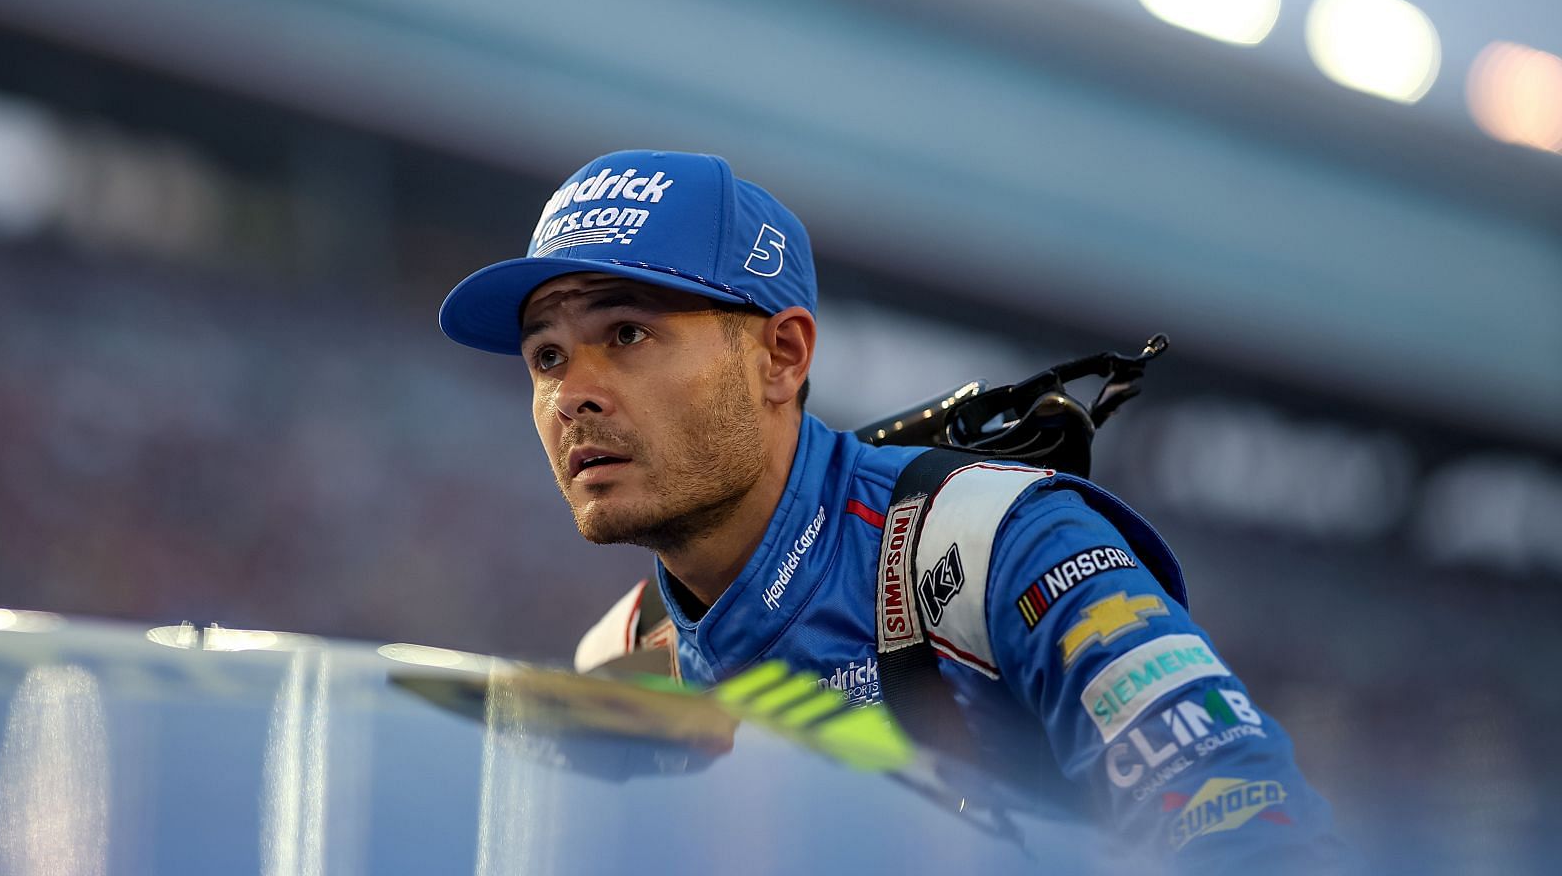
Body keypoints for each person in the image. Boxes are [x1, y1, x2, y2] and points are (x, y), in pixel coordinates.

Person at [438, 149, 1345, 870]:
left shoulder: (1001, 547)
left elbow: (1255, 828)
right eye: (547, 356)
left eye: (626, 335)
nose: (571, 396)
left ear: (782, 358)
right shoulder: (616, 662)